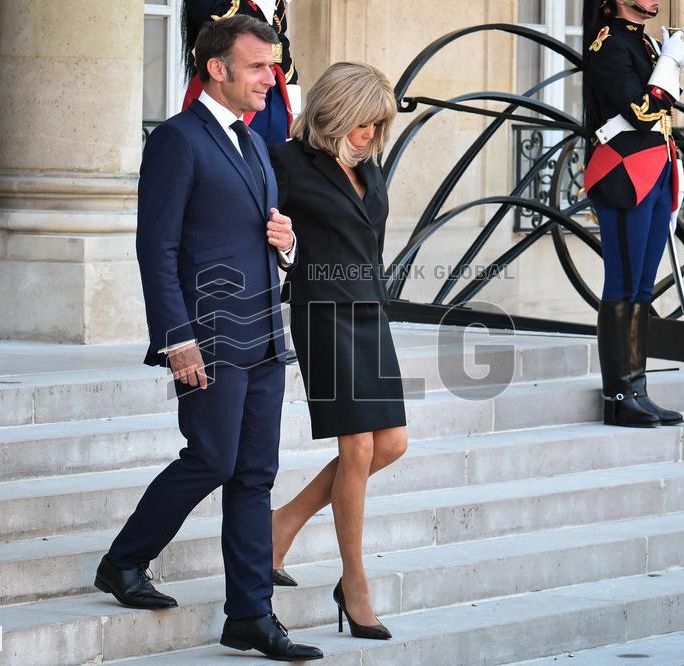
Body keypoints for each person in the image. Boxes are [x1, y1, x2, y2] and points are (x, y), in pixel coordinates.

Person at [93, 15, 322, 662]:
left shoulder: (254, 144)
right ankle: (125, 559)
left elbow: (263, 234)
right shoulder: (177, 140)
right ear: (216, 68)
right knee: (213, 459)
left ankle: (250, 616)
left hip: (264, 334)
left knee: (254, 473)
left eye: (271, 66)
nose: (269, 78)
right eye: (256, 66)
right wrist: (176, 338)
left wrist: (289, 245)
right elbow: (156, 248)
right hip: (209, 335)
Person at [268, 62, 408, 640]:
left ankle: (280, 524)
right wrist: (291, 251)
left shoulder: (368, 169)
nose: (371, 136)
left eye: (377, 126)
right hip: (322, 310)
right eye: (362, 124)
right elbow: (272, 237)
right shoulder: (282, 163)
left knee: (391, 444)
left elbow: (367, 241)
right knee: (357, 449)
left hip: (370, 311)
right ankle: (354, 584)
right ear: (332, 114)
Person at [582, 0, 684, 427]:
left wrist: (665, 61)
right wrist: (667, 65)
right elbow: (643, 113)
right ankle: (619, 395)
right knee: (624, 283)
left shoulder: (641, 44)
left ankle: (639, 389)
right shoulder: (609, 46)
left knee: (643, 287)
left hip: (656, 171)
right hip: (625, 174)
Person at [183, 0, 300, 145]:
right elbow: (218, 19)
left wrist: (289, 84)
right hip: (231, 81)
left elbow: (279, 36)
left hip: (271, 94)